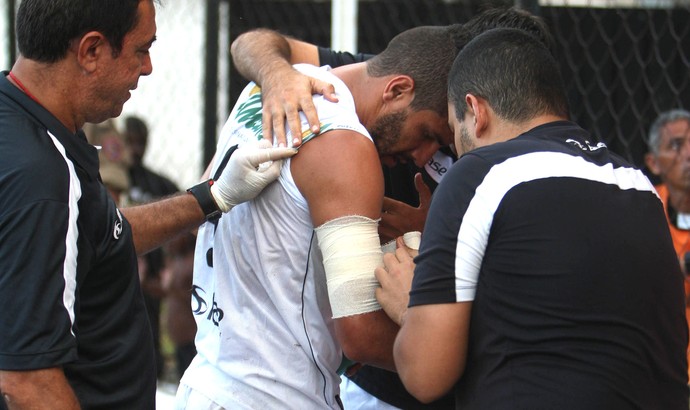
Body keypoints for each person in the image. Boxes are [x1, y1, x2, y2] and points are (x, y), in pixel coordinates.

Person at [229, 7, 556, 409]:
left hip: (457, 369)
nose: (424, 156)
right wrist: (277, 74)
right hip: (376, 380)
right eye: (432, 133)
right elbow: (254, 43)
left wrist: (442, 239)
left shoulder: (523, 144)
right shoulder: (388, 81)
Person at [0, 1, 296, 408]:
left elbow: (100, 234)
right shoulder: (41, 176)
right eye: (141, 50)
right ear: (91, 51)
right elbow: (27, 382)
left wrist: (213, 196)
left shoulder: (21, 117)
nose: (148, 67)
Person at [375, 27, 689, 409]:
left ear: (476, 112)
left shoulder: (479, 172)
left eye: (454, 132)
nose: (453, 151)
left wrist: (412, 307)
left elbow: (425, 375)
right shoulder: (640, 188)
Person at [176, 24, 462, 409]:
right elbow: (359, 333)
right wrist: (466, 361)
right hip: (272, 394)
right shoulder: (345, 144)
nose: (425, 155)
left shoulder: (271, 86)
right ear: (397, 90)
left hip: (211, 379)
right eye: (428, 133)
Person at [124, 115, 181, 379]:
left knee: (148, 336)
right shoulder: (113, 179)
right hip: (120, 274)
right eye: (130, 142)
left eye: (141, 143)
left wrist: (168, 265)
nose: (136, 150)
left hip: (152, 282)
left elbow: (183, 221)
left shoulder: (158, 184)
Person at [644, 108, 690, 383]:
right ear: (654, 163)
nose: (688, 154)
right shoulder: (646, 205)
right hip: (662, 366)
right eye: (676, 145)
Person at [161, 232, 198, 381]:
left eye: (176, 237)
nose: (170, 243)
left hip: (192, 337)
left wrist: (173, 289)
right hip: (178, 336)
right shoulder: (176, 261)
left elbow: (199, 298)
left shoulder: (194, 261)